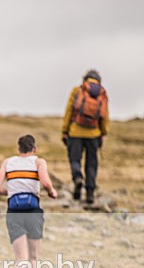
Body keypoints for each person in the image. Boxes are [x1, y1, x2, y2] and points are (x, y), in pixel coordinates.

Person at [0, 135, 58, 268]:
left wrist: (12, 191)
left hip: (14, 212)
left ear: (19, 149)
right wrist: (52, 192)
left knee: (20, 257)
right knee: (33, 258)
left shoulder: (8, 162)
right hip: (33, 212)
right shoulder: (38, 161)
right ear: (34, 149)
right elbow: (45, 182)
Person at [61, 69, 109, 204]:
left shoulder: (77, 90)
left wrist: (65, 130)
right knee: (92, 163)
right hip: (94, 134)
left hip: (75, 132)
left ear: (85, 79)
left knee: (75, 159)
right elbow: (105, 117)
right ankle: (90, 192)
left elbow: (69, 111)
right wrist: (103, 133)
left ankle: (77, 178)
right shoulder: (102, 94)